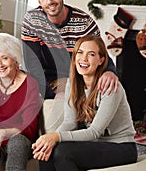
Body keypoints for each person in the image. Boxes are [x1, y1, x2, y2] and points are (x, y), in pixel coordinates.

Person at [32, 35, 137, 171]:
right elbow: (70, 122)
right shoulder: (73, 83)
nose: (84, 59)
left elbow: (95, 132)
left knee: (64, 152)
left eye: (91, 54)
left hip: (122, 146)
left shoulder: (110, 87)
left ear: (101, 60)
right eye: (80, 53)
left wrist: (56, 136)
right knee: (46, 151)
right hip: (94, 145)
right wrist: (49, 141)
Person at [21, 0, 119, 100]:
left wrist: (110, 72)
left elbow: (101, 54)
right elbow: (33, 66)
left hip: (78, 79)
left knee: (113, 87)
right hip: (47, 81)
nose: (49, 1)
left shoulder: (84, 23)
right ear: (39, 0)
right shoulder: (32, 21)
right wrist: (52, 95)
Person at [0, 33, 41, 170]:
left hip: (20, 138)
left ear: (15, 59)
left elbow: (29, 128)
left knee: (17, 143)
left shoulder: (30, 84)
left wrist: (3, 132)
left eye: (4, 58)